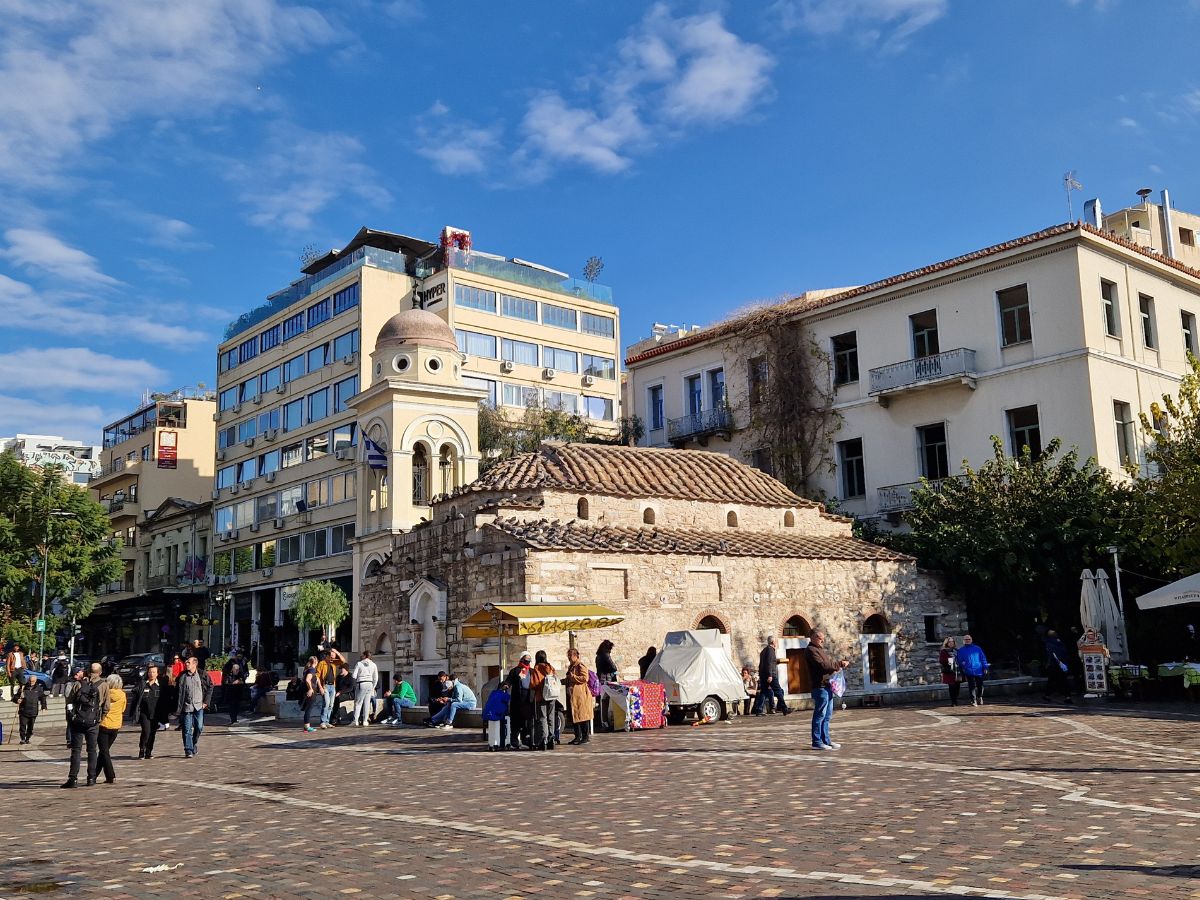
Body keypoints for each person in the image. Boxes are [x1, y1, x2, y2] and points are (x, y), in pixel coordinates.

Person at [63, 663, 109, 788]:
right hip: (93, 723)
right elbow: (106, 706)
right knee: (92, 751)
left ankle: (73, 779)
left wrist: (70, 718)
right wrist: (99, 719)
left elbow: (69, 702)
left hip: (78, 722)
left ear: (88, 672)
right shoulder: (104, 685)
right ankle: (91, 778)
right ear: (100, 672)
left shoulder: (79, 684)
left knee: (76, 751)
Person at [805, 629, 848, 751]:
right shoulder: (811, 651)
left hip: (827, 686)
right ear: (813, 637)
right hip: (819, 687)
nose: (823, 640)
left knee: (827, 715)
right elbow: (822, 666)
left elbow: (828, 665)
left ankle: (826, 740)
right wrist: (838, 664)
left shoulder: (819, 650)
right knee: (820, 715)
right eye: (820, 638)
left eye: (823, 638)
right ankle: (817, 741)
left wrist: (836, 668)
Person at [175, 655, 213, 758]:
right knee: (187, 729)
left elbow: (210, 687)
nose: (186, 664)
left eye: (188, 662)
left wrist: (206, 702)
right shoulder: (182, 676)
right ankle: (188, 749)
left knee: (199, 727)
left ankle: (193, 743)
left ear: (194, 664)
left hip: (199, 706)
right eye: (186, 662)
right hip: (186, 707)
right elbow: (177, 691)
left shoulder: (202, 674)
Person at [132, 663, 167, 758]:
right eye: (150, 672)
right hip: (144, 712)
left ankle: (149, 751)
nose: (152, 674)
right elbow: (135, 694)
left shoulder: (161, 685)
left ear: (157, 673)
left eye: (154, 672)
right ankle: (142, 749)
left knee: (152, 733)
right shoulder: (143, 683)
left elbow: (165, 699)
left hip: (156, 713)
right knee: (146, 731)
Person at [504, 652, 536, 749]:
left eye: (529, 658)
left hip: (528, 699)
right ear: (521, 658)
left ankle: (526, 739)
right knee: (516, 720)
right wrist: (506, 685)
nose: (528, 660)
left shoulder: (532, 671)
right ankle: (514, 740)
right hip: (518, 698)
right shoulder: (515, 671)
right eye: (526, 658)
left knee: (527, 720)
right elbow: (509, 681)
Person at [97, 673, 125, 784]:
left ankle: (110, 775)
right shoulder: (122, 695)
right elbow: (123, 709)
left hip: (104, 725)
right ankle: (93, 775)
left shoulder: (105, 694)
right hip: (115, 726)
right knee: (104, 752)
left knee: (104, 752)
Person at [528, 650, 558, 750]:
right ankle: (552, 737)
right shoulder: (551, 667)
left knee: (542, 718)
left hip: (541, 697)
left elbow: (533, 684)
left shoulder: (537, 668)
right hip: (552, 696)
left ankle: (544, 739)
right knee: (551, 717)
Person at [564, 647, 593, 746]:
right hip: (572, 695)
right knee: (574, 716)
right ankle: (577, 736)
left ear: (576, 656)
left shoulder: (580, 665)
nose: (569, 658)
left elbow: (585, 678)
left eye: (570, 655)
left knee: (582, 716)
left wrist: (573, 677)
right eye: (568, 656)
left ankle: (585, 737)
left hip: (580, 695)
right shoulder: (571, 667)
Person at [754, 637, 789, 716]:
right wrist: (770, 675)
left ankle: (759, 710)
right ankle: (784, 708)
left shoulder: (763, 651)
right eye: (776, 641)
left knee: (763, 692)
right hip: (770, 675)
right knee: (779, 691)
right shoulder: (770, 650)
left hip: (763, 675)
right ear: (773, 642)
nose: (777, 643)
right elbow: (769, 663)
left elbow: (762, 664)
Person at [14, 672, 48, 744]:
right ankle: (22, 738)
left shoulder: (38, 688)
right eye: (30, 681)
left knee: (30, 727)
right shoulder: (23, 687)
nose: (31, 682)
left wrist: (44, 706)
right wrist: (17, 700)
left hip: (33, 710)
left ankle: (28, 738)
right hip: (23, 710)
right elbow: (15, 696)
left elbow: (42, 697)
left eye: (33, 681)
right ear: (28, 680)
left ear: (35, 681)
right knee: (22, 726)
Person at [956, 634, 989, 706]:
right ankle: (973, 700)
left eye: (968, 639)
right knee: (971, 686)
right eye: (966, 639)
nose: (967, 641)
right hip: (968, 670)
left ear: (971, 640)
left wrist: (985, 667)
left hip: (978, 670)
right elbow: (959, 660)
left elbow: (983, 658)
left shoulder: (977, 648)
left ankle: (979, 696)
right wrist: (963, 664)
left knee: (980, 686)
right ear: (963, 641)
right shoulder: (961, 650)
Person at [1043, 630, 1074, 704]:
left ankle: (1048, 695)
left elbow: (1053, 655)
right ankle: (1067, 696)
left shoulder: (1049, 644)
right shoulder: (1060, 642)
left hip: (1055, 664)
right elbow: (1064, 652)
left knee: (1052, 680)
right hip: (1062, 664)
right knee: (1062, 680)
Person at [316, 647, 344, 729]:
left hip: (333, 686)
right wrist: (320, 687)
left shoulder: (333, 663)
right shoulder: (322, 663)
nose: (333, 657)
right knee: (326, 704)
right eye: (332, 655)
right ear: (328, 656)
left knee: (331, 705)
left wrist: (337, 652)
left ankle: (327, 721)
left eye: (334, 656)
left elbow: (343, 661)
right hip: (325, 686)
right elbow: (317, 676)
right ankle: (323, 721)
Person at [595, 640, 618, 733]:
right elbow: (614, 667)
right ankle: (606, 722)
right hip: (607, 680)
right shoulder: (606, 655)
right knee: (605, 701)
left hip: (601, 679)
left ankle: (604, 722)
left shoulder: (598, 656)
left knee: (603, 701)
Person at [351, 651, 379, 727]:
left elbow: (354, 675)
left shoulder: (359, 664)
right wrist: (373, 687)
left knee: (358, 702)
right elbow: (376, 678)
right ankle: (365, 721)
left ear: (364, 656)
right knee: (367, 703)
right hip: (370, 683)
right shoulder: (373, 665)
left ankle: (355, 720)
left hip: (361, 683)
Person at [223, 656, 248, 724]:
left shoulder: (239, 673)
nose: (237, 671)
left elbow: (242, 680)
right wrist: (234, 682)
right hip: (230, 692)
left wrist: (239, 681)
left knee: (236, 705)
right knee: (232, 706)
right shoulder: (228, 672)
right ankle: (233, 719)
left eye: (238, 670)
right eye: (235, 670)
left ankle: (234, 719)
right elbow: (226, 682)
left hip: (237, 692)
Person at [302, 656, 324, 733]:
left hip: (311, 690)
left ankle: (306, 726)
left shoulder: (309, 669)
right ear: (316, 662)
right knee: (309, 709)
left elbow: (316, 678)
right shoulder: (312, 669)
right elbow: (307, 680)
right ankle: (307, 726)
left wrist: (320, 686)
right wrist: (310, 689)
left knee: (308, 708)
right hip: (311, 692)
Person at [939, 637, 963, 707]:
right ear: (947, 643)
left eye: (952, 641)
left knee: (957, 686)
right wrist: (949, 659)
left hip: (957, 671)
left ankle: (956, 699)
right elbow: (941, 660)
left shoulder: (956, 650)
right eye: (949, 642)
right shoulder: (944, 651)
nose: (951, 643)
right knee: (952, 686)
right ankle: (953, 701)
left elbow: (960, 659)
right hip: (949, 671)